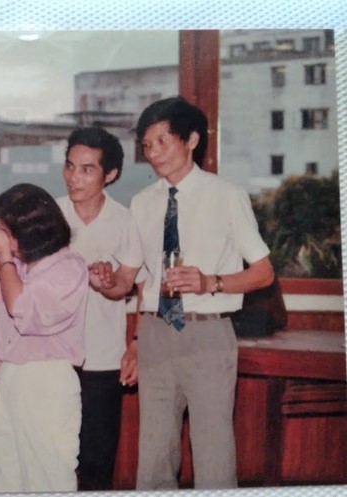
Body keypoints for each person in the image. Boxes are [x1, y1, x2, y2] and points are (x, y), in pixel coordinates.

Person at [130, 96, 274, 489]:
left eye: (162, 141)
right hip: (156, 333)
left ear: (191, 139)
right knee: (153, 456)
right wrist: (135, 336)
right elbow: (142, 281)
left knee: (212, 452)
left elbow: (263, 272)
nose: (153, 152)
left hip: (208, 333)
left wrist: (212, 282)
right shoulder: (142, 203)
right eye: (147, 144)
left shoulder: (226, 195)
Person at [0, 183, 88, 493]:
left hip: (48, 385)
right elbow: (2, 343)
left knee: (49, 478)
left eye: (7, 233)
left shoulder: (69, 268)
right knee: (4, 477)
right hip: (10, 382)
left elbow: (22, 310)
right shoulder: (17, 270)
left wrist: (3, 257)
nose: (3, 240)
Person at [56, 127, 142, 490]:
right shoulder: (51, 216)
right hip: (53, 359)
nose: (74, 177)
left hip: (103, 361)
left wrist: (108, 284)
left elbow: (129, 286)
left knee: (96, 461)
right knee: (53, 457)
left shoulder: (124, 221)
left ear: (110, 175)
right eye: (70, 166)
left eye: (87, 169)